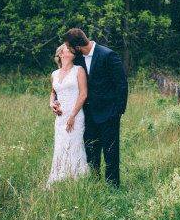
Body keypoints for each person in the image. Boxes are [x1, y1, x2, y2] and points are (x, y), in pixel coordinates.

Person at [51, 27, 128, 187]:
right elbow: (67, 82)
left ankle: (113, 187)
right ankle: (94, 183)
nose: (68, 49)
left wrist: (118, 111)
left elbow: (121, 84)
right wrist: (56, 101)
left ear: (76, 46)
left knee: (110, 152)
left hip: (109, 114)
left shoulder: (108, 55)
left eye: (68, 46)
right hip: (87, 115)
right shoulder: (78, 60)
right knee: (91, 151)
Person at [46, 43, 89, 185]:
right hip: (60, 117)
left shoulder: (79, 70)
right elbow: (53, 94)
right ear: (61, 54)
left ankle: (77, 178)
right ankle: (60, 178)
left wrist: (72, 116)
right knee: (61, 145)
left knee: (74, 144)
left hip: (75, 115)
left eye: (72, 50)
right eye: (67, 49)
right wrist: (52, 105)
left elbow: (83, 94)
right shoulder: (54, 74)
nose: (71, 51)